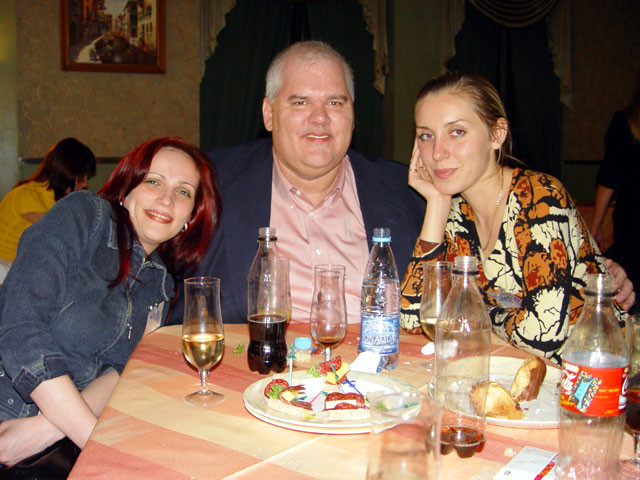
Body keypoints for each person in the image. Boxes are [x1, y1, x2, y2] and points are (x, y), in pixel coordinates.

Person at [0, 137, 221, 472]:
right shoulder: (84, 215)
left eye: (183, 191)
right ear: (125, 188)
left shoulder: (160, 284)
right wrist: (104, 451)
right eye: (153, 181)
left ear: (191, 216)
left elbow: (120, 371)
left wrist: (45, 431)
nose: (166, 199)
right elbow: (20, 330)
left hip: (54, 444)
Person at [169, 41, 425, 325]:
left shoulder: (411, 192)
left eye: (335, 103)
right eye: (301, 102)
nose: (320, 118)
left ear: (353, 115)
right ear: (269, 114)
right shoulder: (208, 182)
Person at [399, 72, 632, 365]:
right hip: (524, 374)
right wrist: (436, 203)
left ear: (496, 135)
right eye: (426, 135)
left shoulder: (539, 198)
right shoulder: (456, 212)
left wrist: (475, 316)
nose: (437, 153)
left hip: (600, 377)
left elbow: (541, 337)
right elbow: (412, 317)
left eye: (457, 132)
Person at [0, 137, 97, 263]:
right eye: (81, 177)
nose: (85, 184)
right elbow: (61, 233)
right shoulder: (27, 194)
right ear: (66, 173)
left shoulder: (52, 198)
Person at [590, 72, 640, 291]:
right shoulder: (624, 123)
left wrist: (596, 225)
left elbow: (609, 177)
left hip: (631, 225)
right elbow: (609, 177)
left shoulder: (624, 123)